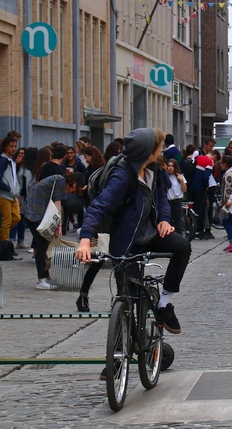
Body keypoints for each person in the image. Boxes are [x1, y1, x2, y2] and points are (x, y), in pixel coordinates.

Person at [76, 127, 191, 334]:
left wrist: (164, 220)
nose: (161, 151)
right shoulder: (122, 177)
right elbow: (99, 207)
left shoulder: (153, 169)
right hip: (126, 240)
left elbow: (161, 198)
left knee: (182, 246)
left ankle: (164, 303)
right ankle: (119, 358)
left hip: (152, 234)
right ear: (148, 151)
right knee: (126, 301)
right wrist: (85, 239)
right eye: (159, 147)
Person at [25, 146, 64, 290]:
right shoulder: (60, 179)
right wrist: (58, 225)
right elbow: (58, 202)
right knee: (42, 246)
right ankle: (41, 280)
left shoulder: (45, 168)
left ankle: (46, 277)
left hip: (34, 212)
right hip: (35, 213)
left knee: (43, 244)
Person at [0, 135, 20, 243]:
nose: (14, 149)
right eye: (11, 146)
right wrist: (7, 187)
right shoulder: (2, 161)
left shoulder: (11, 161)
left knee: (16, 217)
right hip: (4, 194)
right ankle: (5, 242)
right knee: (7, 220)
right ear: (5, 147)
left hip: (12, 194)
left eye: (15, 146)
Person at [165, 158, 187, 232]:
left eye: (172, 166)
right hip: (167, 201)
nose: (170, 168)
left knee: (177, 223)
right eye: (169, 166)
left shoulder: (179, 177)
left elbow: (184, 190)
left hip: (176, 201)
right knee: (168, 222)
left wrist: (181, 180)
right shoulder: (165, 177)